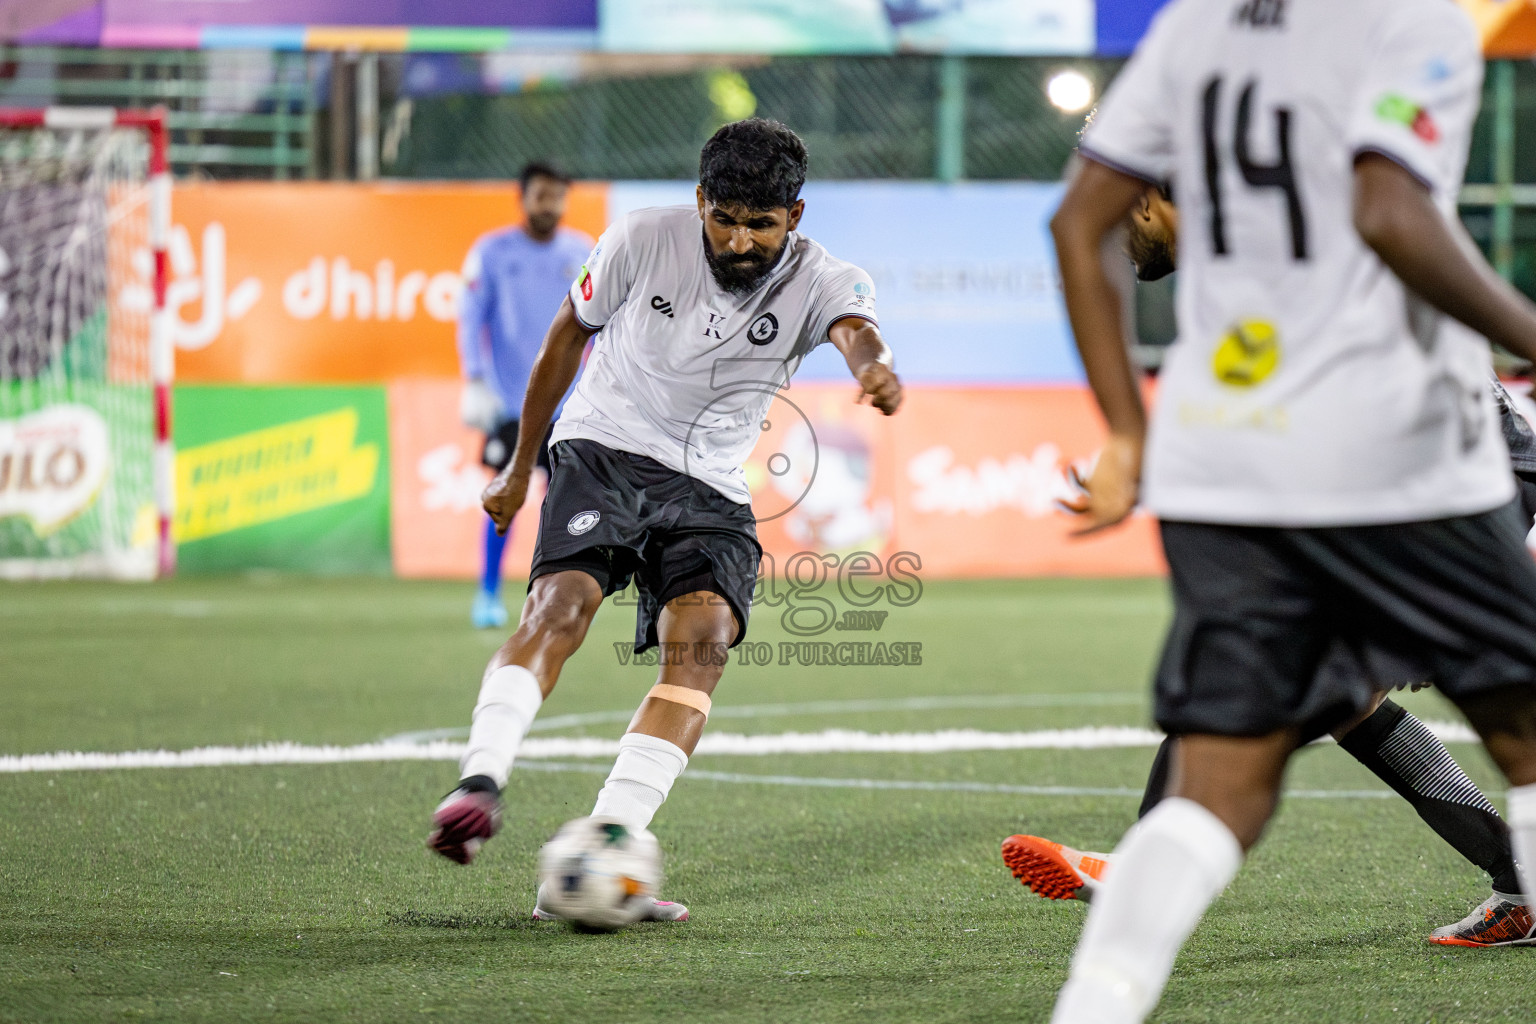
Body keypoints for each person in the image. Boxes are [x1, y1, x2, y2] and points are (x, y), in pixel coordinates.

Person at [1046, 0, 1536, 1017]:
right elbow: (1392, 214)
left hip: (1250, 451)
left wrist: (1129, 433)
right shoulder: (1419, 27)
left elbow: (1072, 219)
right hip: (1414, 437)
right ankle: (1517, 876)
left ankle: (1100, 983)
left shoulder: (1194, 29)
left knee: (1237, 756)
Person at [426, 119, 903, 921]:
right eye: (724, 218)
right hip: (605, 445)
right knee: (563, 607)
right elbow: (563, 343)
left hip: (711, 479)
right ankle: (479, 781)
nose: (741, 239)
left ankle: (609, 844)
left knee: (706, 642)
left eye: (763, 224)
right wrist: (518, 469)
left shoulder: (828, 278)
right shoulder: (639, 239)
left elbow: (856, 331)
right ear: (699, 202)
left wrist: (874, 368)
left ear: (796, 216)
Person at [458, 161, 594, 629]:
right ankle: (488, 593)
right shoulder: (493, 253)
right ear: (523, 198)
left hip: (572, 405)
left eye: (557, 195)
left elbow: (604, 324)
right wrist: (474, 378)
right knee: (506, 495)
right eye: (540, 194)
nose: (548, 204)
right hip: (512, 400)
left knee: (568, 505)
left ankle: (552, 593)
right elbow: (471, 317)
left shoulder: (583, 252)